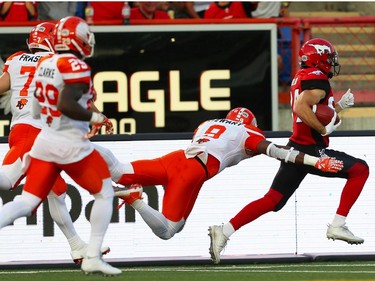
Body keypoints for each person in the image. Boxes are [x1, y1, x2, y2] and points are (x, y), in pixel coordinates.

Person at [208, 38, 369, 264]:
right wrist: (324, 127)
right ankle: (338, 224)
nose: (332, 62)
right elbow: (301, 107)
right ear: (319, 57)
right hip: (310, 150)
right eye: (330, 57)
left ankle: (224, 230)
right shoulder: (317, 77)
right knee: (360, 170)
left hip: (297, 146)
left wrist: (338, 107)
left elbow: (314, 111)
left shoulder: (303, 77)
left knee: (273, 200)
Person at [0, 16, 122, 276]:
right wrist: (98, 116)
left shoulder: (17, 59)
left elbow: (11, 91)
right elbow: (71, 99)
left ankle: (77, 246)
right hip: (40, 134)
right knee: (7, 182)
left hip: (24, 130)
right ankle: (85, 250)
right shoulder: (59, 62)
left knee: (56, 192)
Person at [114, 107, 343, 241]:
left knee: (122, 172)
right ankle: (134, 199)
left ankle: (86, 154)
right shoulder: (248, 133)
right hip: (193, 171)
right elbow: (280, 152)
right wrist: (315, 161)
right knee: (168, 230)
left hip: (178, 159)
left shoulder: (207, 123)